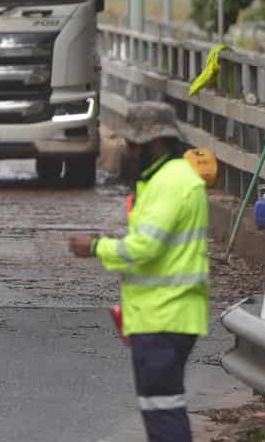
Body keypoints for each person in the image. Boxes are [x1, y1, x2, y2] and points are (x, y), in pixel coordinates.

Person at [69, 101, 209, 442]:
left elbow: (143, 248)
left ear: (153, 143)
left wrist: (96, 247)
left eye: (133, 145)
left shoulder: (170, 183)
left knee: (163, 412)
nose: (128, 152)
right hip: (161, 315)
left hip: (166, 316)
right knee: (160, 407)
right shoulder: (166, 178)